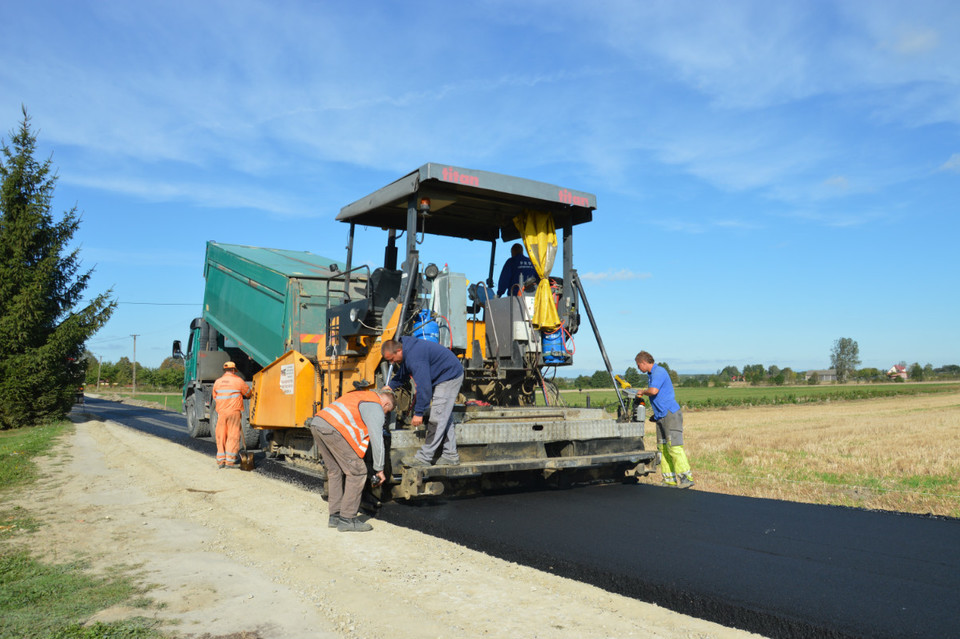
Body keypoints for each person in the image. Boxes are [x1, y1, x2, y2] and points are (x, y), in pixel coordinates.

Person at [307, 389, 395, 532]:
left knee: (335, 471)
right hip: (333, 429)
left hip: (318, 423)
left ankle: (335, 516)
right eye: (387, 410)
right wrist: (379, 469)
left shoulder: (363, 394)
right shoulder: (375, 406)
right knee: (358, 472)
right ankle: (347, 519)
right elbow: (377, 439)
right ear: (385, 404)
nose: (385, 413)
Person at [381, 336, 463, 467]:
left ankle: (424, 458)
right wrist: (391, 385)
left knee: (437, 418)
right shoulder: (408, 350)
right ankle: (450, 455)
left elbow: (424, 387)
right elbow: (404, 373)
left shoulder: (415, 357)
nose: (391, 363)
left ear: (399, 350)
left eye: (391, 359)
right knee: (444, 417)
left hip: (449, 376)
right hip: (443, 375)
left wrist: (419, 412)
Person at [635, 351, 694, 489]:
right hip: (660, 416)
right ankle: (669, 480)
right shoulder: (651, 375)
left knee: (674, 446)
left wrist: (642, 392)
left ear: (644, 363)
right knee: (663, 449)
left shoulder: (659, 372)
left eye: (638, 366)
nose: (638, 368)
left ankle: (686, 478)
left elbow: (654, 391)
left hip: (670, 414)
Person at [212, 361, 252, 469]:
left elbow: (215, 397)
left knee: (221, 435)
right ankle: (230, 461)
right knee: (233, 435)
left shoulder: (217, 382)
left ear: (224, 370)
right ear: (234, 370)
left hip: (221, 412)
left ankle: (221, 461)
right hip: (234, 412)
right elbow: (248, 393)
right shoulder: (238, 381)